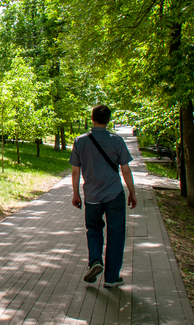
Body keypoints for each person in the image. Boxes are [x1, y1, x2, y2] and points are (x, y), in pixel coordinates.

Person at [70, 104, 137, 288]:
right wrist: (132, 192)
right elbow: (125, 169)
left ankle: (95, 261)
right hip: (114, 195)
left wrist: (76, 194)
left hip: (91, 196)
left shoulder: (80, 141)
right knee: (116, 234)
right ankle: (111, 278)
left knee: (93, 229)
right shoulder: (117, 141)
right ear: (109, 120)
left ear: (92, 118)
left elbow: (76, 171)